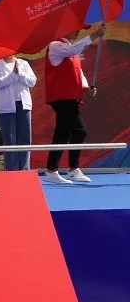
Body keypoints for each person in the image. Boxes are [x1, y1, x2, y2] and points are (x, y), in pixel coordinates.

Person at [43, 25, 105, 184]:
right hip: (61, 96)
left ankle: (52, 170)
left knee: (63, 132)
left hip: (69, 96)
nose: (78, 31)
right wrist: (94, 35)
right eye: (75, 28)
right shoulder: (56, 46)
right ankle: (72, 169)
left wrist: (86, 87)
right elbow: (72, 50)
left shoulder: (72, 51)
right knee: (79, 131)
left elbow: (78, 72)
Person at [0, 53, 36, 172]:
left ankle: (25, 169)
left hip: (23, 104)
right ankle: (12, 171)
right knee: (10, 140)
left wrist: (20, 73)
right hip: (7, 106)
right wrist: (13, 74)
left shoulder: (23, 63)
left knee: (25, 138)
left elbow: (32, 81)